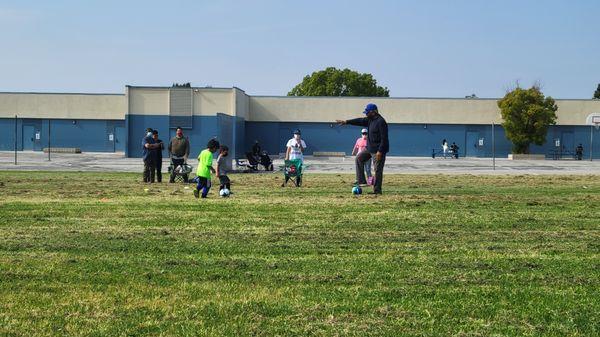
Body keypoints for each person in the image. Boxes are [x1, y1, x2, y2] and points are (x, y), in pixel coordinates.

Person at [336, 103, 389, 194]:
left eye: (367, 112)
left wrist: (380, 151)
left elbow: (384, 138)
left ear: (374, 112)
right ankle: (362, 181)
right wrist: (346, 122)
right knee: (359, 158)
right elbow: (359, 121)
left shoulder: (381, 122)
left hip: (378, 151)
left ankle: (377, 191)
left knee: (377, 170)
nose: (366, 114)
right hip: (369, 149)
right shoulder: (370, 120)